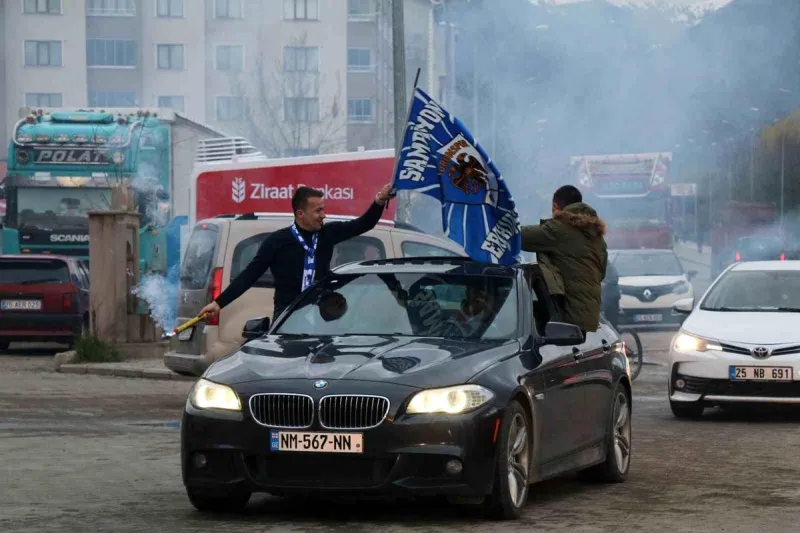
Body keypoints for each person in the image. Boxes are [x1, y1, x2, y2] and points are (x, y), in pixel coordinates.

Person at [200, 183, 394, 320]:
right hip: (287, 317)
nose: (323, 215)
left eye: (323, 209)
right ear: (300, 214)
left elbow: (363, 224)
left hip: (321, 315)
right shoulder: (276, 241)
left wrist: (379, 201)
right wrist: (218, 303)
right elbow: (248, 276)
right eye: (318, 211)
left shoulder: (328, 233)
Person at [520, 185, 608, 333]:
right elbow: (602, 273)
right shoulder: (597, 237)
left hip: (567, 318)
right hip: (589, 318)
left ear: (556, 207)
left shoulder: (559, 229)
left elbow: (519, 237)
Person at [601, 261, 621, 330]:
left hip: (611, 298)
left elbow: (613, 279)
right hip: (608, 298)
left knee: (612, 322)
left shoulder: (609, 267)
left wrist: (604, 283)